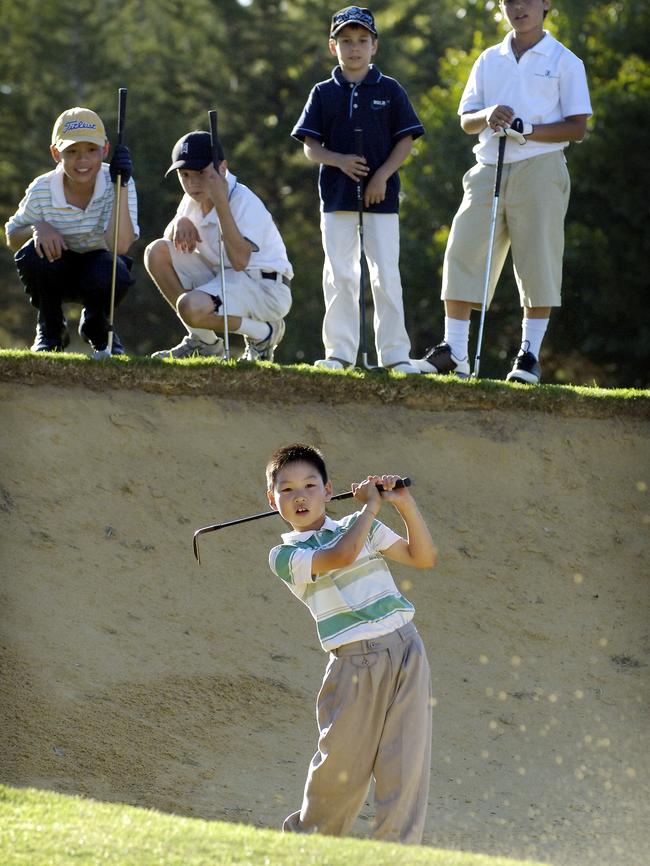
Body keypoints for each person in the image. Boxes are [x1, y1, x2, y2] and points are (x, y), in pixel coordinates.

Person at [266, 443, 436, 844]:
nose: (300, 496)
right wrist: (370, 509)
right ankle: (306, 849)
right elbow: (341, 556)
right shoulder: (285, 554)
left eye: (310, 484)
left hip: (408, 650)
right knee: (339, 778)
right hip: (353, 666)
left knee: (405, 769)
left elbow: (422, 557)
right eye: (287, 490)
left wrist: (404, 503)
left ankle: (395, 853)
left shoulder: (363, 527)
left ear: (328, 490)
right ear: (272, 501)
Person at [416, 0, 592, 383]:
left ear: (546, 3)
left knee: (537, 260)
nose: (518, 7)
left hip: (541, 166)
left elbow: (577, 127)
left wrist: (527, 128)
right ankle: (456, 352)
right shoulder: (488, 59)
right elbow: (467, 119)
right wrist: (489, 113)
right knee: (462, 249)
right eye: (509, 0)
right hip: (488, 165)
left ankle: (528, 356)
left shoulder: (565, 60)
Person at [292, 6, 424, 374]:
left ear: (374, 46)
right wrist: (340, 161)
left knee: (386, 273)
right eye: (346, 41)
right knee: (340, 274)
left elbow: (406, 140)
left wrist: (381, 177)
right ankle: (339, 353)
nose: (355, 48)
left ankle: (395, 354)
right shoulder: (322, 92)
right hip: (336, 198)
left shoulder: (390, 89)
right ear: (332, 46)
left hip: (382, 197)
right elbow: (310, 146)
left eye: (362, 40)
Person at [145, 131, 293, 361]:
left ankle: (264, 333)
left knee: (191, 307)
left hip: (265, 288)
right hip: (225, 278)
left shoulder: (244, 200)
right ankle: (204, 341)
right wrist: (179, 222)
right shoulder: (193, 197)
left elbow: (240, 261)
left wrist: (221, 202)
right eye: (184, 175)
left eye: (201, 173)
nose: (192, 183)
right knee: (155, 252)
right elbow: (169, 244)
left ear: (221, 169)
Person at [5, 107, 138, 354]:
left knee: (115, 269)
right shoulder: (42, 188)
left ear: (105, 150)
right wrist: (38, 227)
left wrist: (122, 186)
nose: (83, 160)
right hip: (55, 270)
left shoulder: (120, 182)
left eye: (91, 150)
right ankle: (51, 329)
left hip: (98, 272)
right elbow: (12, 237)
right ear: (56, 153)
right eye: (72, 151)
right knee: (32, 255)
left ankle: (97, 326)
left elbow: (119, 246)